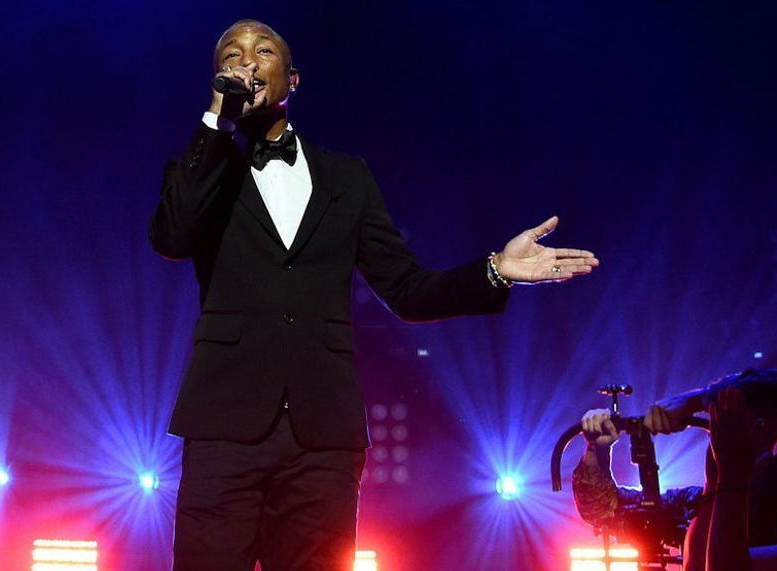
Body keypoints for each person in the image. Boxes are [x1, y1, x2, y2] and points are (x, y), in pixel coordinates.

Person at [150, 19, 599, 570]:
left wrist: (495, 271)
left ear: (292, 79)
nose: (246, 61)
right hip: (224, 428)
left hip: (324, 437)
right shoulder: (203, 170)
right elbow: (171, 237)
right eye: (231, 54)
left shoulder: (348, 177)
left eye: (262, 51)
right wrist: (218, 120)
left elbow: (407, 291)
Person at [572, 369, 777, 571]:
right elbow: (603, 511)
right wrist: (596, 451)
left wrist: (697, 401)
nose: (718, 438)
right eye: (718, 427)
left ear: (766, 429)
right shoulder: (695, 501)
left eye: (729, 424)